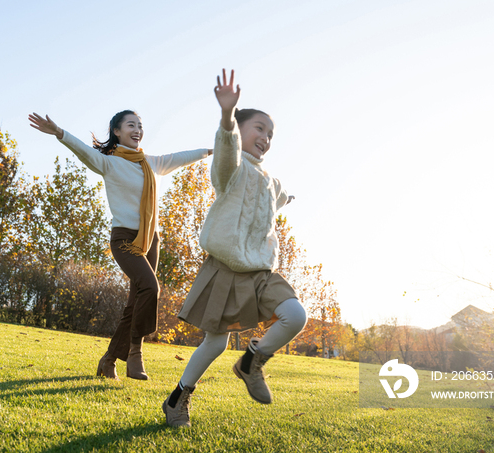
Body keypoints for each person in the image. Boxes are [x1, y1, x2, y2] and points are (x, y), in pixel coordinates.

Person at [162, 70, 307, 428]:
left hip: (261, 272)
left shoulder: (270, 180)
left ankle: (250, 362)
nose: (266, 138)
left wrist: (286, 199)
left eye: (270, 134)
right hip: (226, 268)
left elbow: (273, 200)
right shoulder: (232, 169)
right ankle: (178, 399)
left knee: (296, 315)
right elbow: (227, 150)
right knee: (214, 343)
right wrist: (227, 115)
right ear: (242, 131)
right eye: (259, 128)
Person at [29, 110, 211, 381]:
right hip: (125, 239)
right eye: (131, 125)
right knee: (150, 287)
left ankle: (109, 360)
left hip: (150, 240)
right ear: (117, 131)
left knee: (134, 303)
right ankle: (136, 353)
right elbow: (82, 151)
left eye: (140, 125)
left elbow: (182, 157)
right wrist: (59, 132)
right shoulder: (109, 162)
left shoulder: (152, 163)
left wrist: (212, 150)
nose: (137, 129)